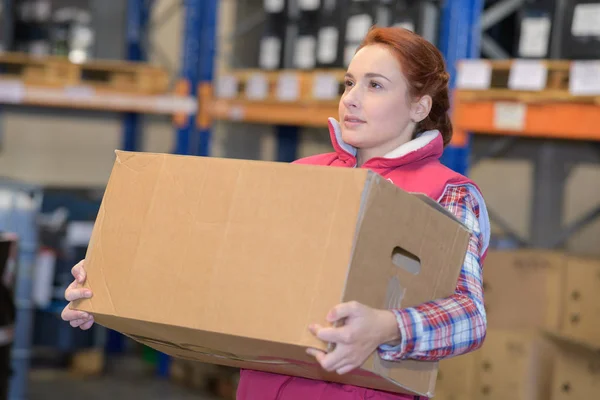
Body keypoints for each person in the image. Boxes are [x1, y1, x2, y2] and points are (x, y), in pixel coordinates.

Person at [62, 26, 490, 400]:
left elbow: (469, 318)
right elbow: (223, 271)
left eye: (375, 86)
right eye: (348, 83)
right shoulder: (303, 176)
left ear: (419, 106)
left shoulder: (448, 194)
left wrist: (387, 326)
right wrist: (110, 282)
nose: (352, 99)